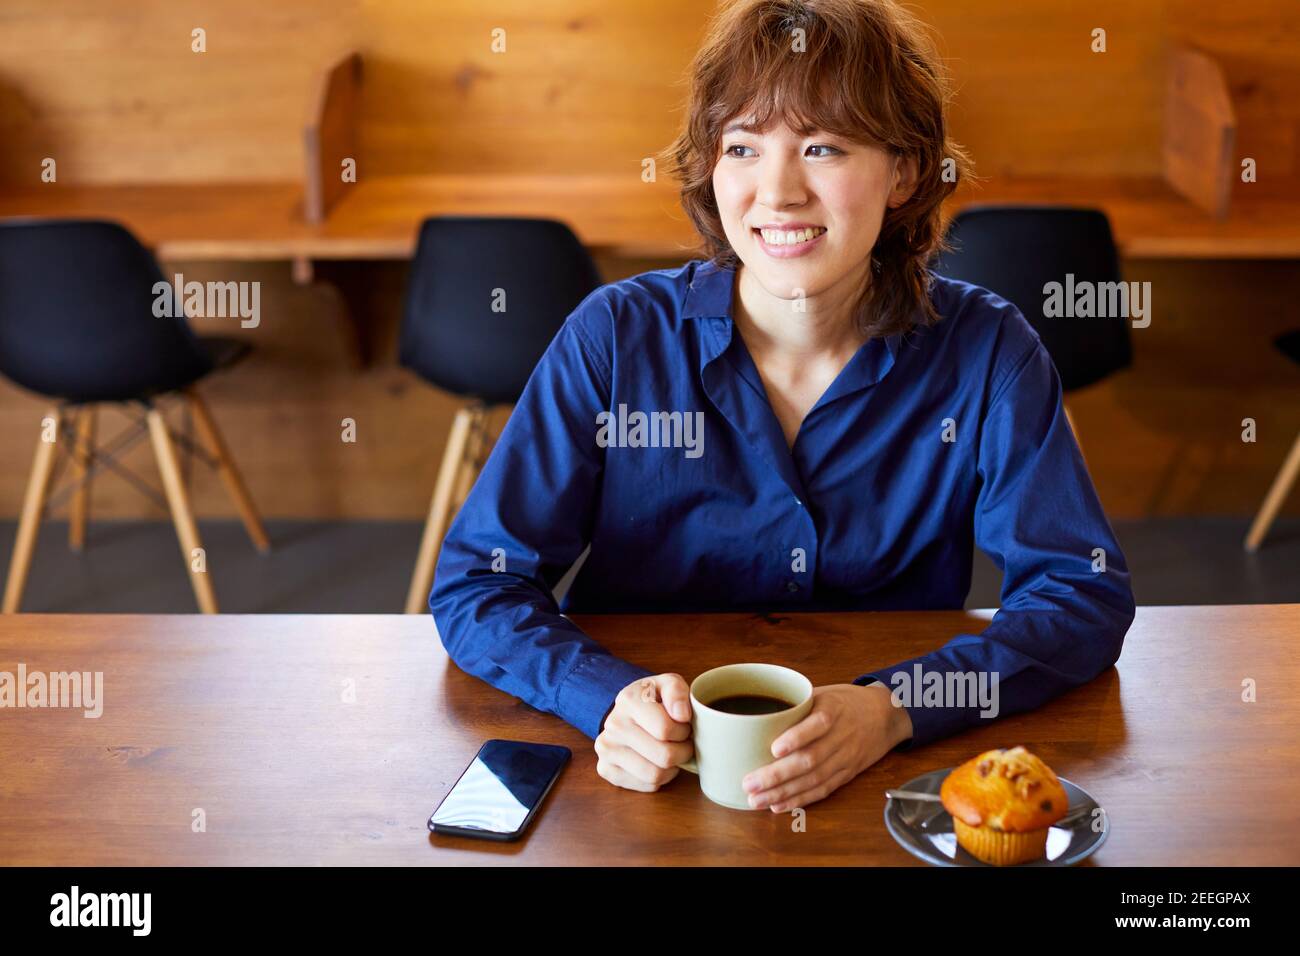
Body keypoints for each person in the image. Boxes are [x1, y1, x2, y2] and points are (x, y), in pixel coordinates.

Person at [430, 0, 1135, 813]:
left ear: (903, 170)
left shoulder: (986, 351)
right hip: (643, 787)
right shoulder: (615, 339)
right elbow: (479, 584)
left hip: (880, 786)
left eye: (823, 147)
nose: (778, 191)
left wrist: (898, 706)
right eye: (742, 148)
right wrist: (605, 699)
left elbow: (1080, 594)